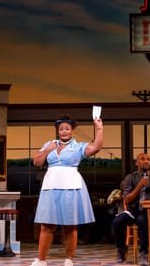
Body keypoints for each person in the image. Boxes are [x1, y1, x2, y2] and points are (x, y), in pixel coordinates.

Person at [29, 114, 103, 266]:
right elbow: (37, 161)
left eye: (67, 129)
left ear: (72, 131)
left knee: (69, 225)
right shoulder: (50, 144)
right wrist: (47, 150)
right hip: (51, 186)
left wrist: (99, 127)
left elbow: (96, 147)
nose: (64, 131)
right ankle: (41, 260)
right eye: (61, 128)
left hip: (71, 186)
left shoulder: (78, 146)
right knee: (46, 225)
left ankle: (69, 259)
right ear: (57, 131)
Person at [112, 152, 150, 266]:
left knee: (142, 220)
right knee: (117, 221)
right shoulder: (130, 177)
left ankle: (143, 253)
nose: (146, 161)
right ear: (137, 162)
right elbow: (126, 200)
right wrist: (139, 186)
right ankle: (121, 249)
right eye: (143, 159)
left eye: (148, 159)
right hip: (134, 210)